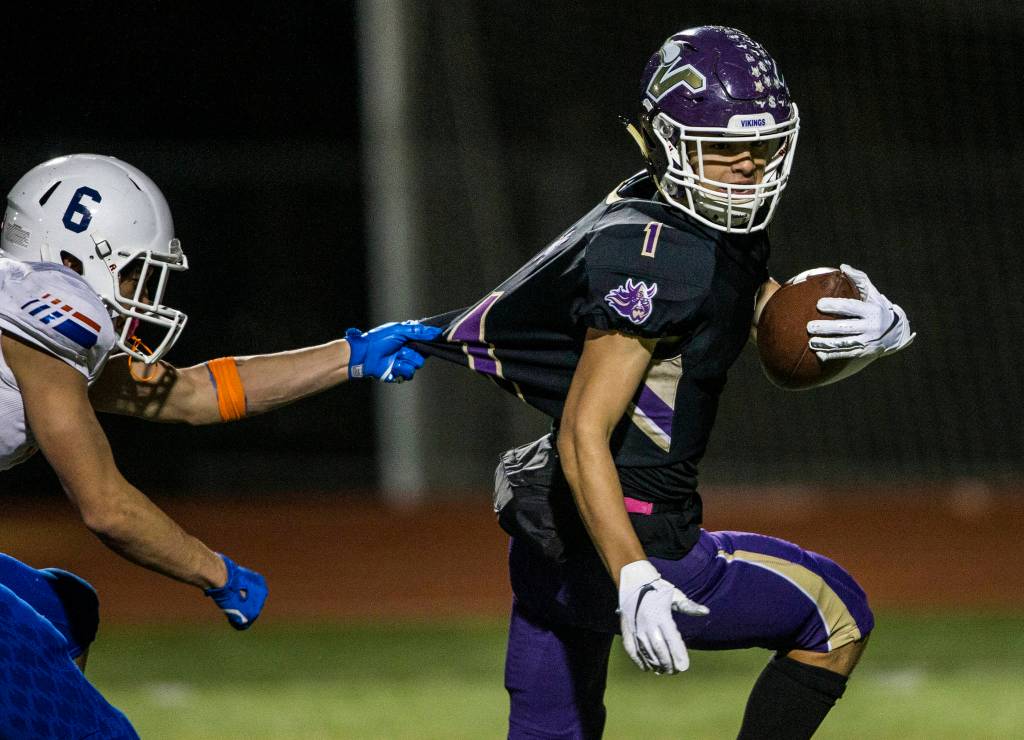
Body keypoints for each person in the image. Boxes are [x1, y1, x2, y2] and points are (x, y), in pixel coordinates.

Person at [414, 26, 914, 739]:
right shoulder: (660, 256)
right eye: (722, 148)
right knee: (837, 611)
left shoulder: (661, 216)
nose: (748, 166)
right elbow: (588, 426)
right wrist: (633, 574)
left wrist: (878, 328)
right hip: (638, 536)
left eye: (763, 144)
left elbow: (750, 304)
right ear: (668, 140)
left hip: (547, 532)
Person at [0, 153, 440, 737]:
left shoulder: (25, 312)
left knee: (66, 610)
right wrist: (216, 572)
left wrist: (350, 357)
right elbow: (105, 506)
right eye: (133, 269)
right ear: (72, 255)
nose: (140, 289)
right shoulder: (52, 305)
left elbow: (190, 394)